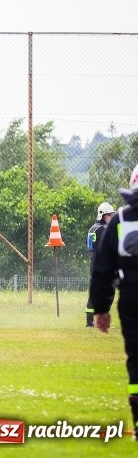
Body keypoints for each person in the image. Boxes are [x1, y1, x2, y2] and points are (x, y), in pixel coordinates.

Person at [90, 162, 138, 438]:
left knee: (136, 358)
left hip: (132, 297)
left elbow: (102, 267)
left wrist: (101, 308)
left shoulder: (120, 220)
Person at [86, 201, 116, 327]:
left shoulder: (93, 228)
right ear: (103, 215)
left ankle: (89, 322)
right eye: (109, 215)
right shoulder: (104, 229)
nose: (111, 217)